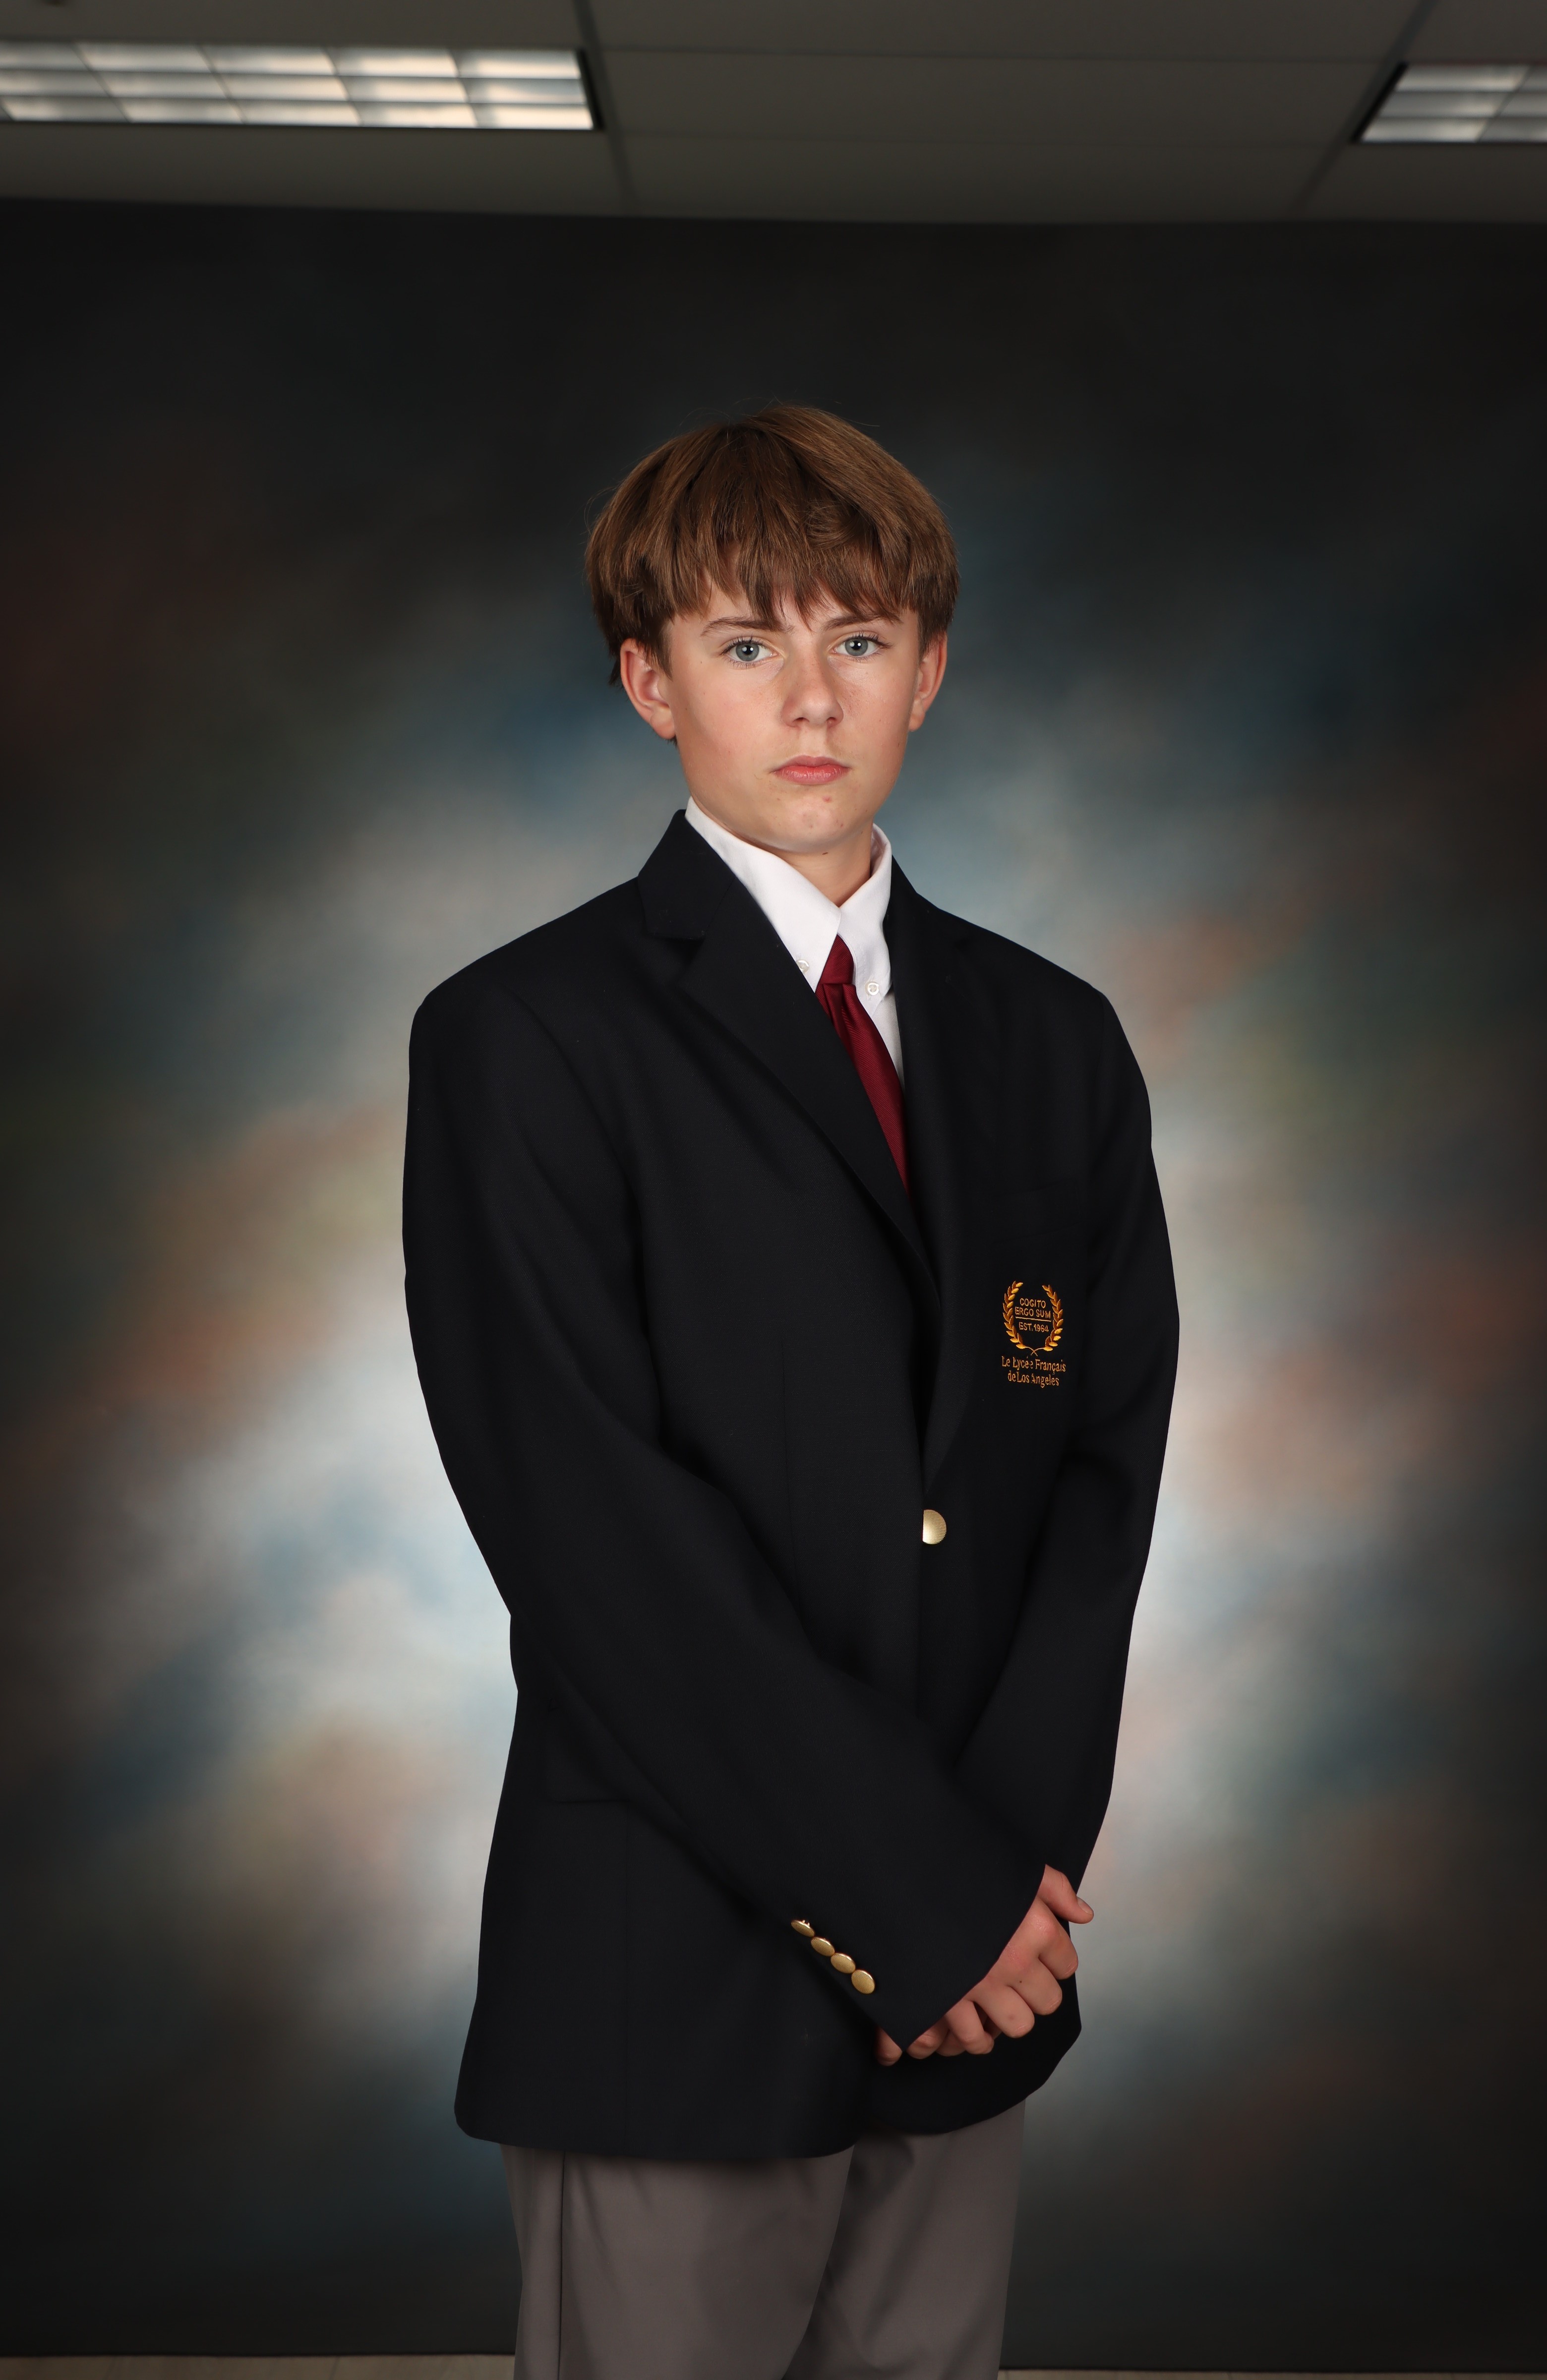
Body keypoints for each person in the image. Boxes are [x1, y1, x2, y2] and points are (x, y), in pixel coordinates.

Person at [403, 405, 1178, 2380]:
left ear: (931, 669)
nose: (811, 697)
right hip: (674, 1972)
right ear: (650, 682)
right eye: (746, 642)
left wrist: (996, 1904)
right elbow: (594, 1537)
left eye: (859, 636)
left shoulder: (1055, 1042)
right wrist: (920, 1906)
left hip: (977, 1986)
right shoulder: (524, 1037)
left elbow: (1095, 1494)